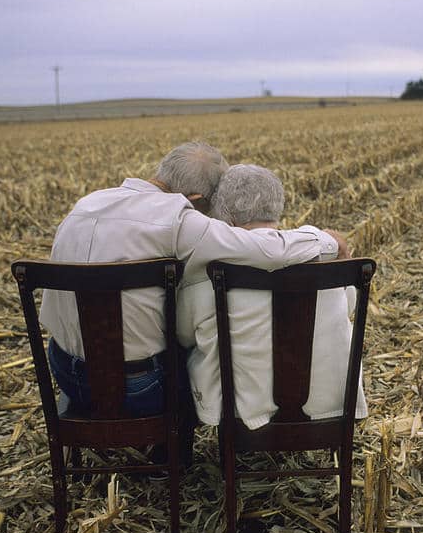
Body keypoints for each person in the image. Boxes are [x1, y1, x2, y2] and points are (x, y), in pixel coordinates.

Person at [39, 142, 345, 429]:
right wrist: (326, 240)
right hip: (139, 390)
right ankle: (171, 453)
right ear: (197, 201)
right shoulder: (178, 218)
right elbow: (264, 249)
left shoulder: (87, 203)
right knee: (200, 351)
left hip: (66, 373)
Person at [177, 164, 368, 429]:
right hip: (330, 405)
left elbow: (183, 333)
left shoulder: (208, 274)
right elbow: (349, 305)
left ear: (225, 216)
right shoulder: (326, 261)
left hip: (242, 413)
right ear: (278, 205)